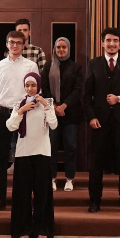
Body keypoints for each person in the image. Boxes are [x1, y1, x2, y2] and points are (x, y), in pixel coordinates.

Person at [81, 27, 120, 213]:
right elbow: (86, 95)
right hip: (99, 121)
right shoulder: (94, 63)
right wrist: (91, 117)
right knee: (96, 163)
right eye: (108, 40)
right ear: (102, 43)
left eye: (115, 41)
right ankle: (94, 200)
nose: (112, 44)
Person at [0, 31, 40, 211]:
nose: (14, 45)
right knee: (1, 158)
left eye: (18, 42)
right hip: (2, 114)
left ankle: (23, 199)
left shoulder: (31, 65)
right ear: (7, 44)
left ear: (24, 45)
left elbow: (36, 91)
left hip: (24, 114)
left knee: (24, 159)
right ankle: (0, 198)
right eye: (11, 42)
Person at [6, 72, 58, 238]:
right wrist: (21, 111)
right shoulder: (19, 104)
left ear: (39, 86)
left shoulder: (47, 102)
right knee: (23, 193)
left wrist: (46, 105)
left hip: (42, 152)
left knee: (42, 192)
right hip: (23, 153)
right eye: (27, 85)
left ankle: (42, 228)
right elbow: (10, 126)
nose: (30, 89)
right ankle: (23, 228)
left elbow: (54, 125)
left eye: (33, 85)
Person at [41, 37, 83, 191]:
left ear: (68, 49)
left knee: (70, 146)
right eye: (58, 47)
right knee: (51, 146)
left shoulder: (76, 67)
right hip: (51, 112)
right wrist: (54, 106)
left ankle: (69, 178)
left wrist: (64, 106)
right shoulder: (48, 66)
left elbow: (78, 89)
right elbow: (44, 88)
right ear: (54, 49)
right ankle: (52, 178)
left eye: (64, 47)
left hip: (70, 113)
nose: (61, 50)